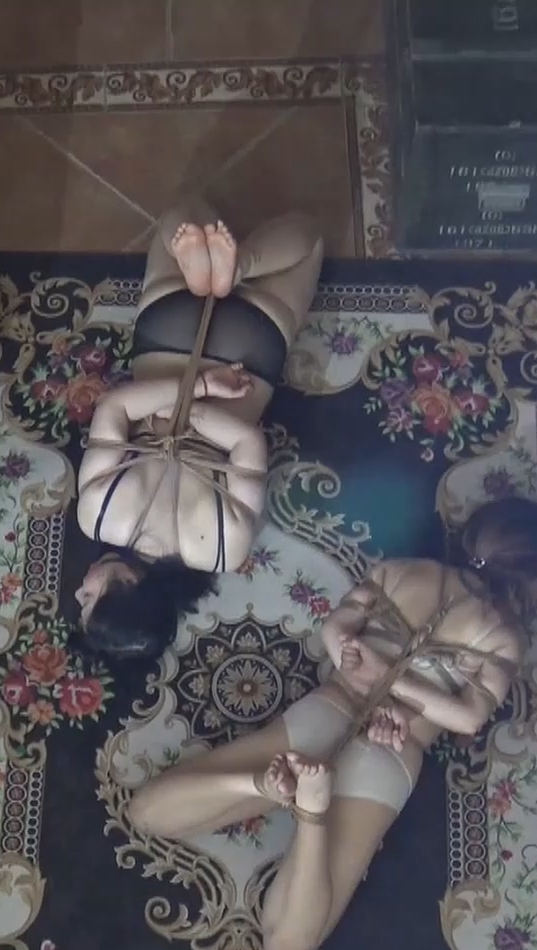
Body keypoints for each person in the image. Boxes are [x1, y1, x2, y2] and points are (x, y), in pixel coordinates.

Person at [122, 497, 537, 950]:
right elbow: (469, 718)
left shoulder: (402, 570)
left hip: (329, 706)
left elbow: (336, 628)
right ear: (531, 574)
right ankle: (312, 816)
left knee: (145, 815)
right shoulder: (502, 636)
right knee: (284, 945)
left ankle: (260, 785)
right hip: (392, 752)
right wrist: (398, 685)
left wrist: (357, 660)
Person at [72, 200, 325, 660]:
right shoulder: (98, 515)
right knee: (182, 213)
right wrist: (191, 389)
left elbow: (248, 442)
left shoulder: (223, 551)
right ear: (127, 582)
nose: (77, 591)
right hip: (169, 331)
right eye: (87, 598)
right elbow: (115, 406)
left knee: (308, 238)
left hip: (249, 351)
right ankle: (216, 268)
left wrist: (209, 390)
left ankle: (241, 265)